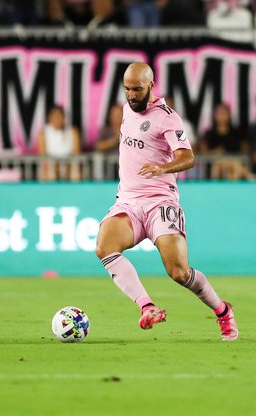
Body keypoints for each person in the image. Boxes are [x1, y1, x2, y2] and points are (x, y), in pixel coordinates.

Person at [94, 62, 238, 340]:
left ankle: (222, 311)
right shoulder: (126, 110)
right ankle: (147, 307)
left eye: (137, 89)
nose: (132, 95)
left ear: (151, 85)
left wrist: (163, 168)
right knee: (104, 246)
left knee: (179, 272)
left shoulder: (167, 118)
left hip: (161, 203)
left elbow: (188, 157)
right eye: (127, 89)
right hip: (129, 202)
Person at [200, 101, 249, 180]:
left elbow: (245, 152)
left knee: (236, 166)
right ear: (214, 116)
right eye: (219, 113)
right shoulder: (209, 134)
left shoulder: (238, 133)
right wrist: (214, 152)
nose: (222, 116)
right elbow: (203, 154)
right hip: (216, 165)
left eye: (224, 113)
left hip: (234, 165)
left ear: (229, 115)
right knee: (217, 166)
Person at [37, 105, 81, 181]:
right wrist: (56, 167)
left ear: (64, 118)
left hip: (68, 165)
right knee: (51, 175)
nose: (58, 119)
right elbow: (43, 156)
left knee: (76, 174)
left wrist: (67, 167)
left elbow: (76, 154)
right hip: (50, 166)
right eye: (55, 117)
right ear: (49, 118)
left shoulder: (73, 132)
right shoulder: (43, 133)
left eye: (60, 116)